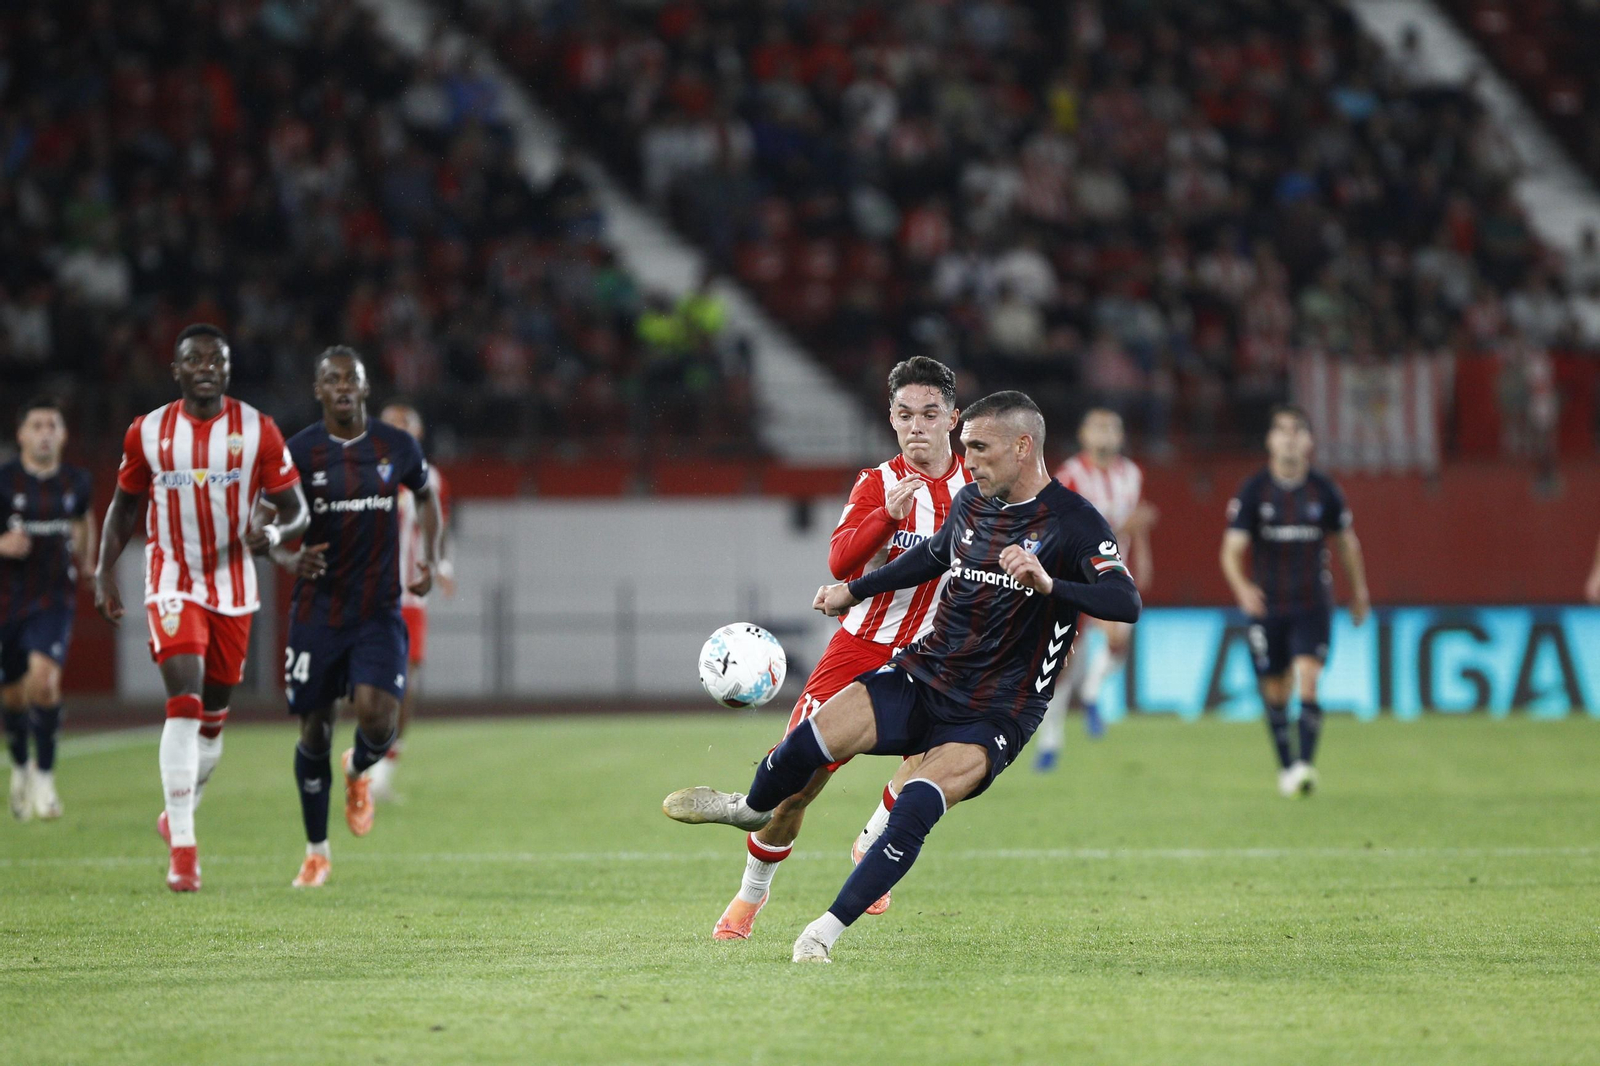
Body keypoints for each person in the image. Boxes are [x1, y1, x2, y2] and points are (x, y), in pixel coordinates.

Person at [663, 391, 1141, 962]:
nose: (972, 460)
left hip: (997, 709)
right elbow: (934, 554)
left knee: (917, 803)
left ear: (1022, 446)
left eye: (979, 448)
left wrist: (1050, 585)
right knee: (810, 741)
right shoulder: (970, 501)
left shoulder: (1074, 521)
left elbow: (1124, 600)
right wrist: (853, 589)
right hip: (925, 672)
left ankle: (821, 934)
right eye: (966, 449)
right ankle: (751, 807)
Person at [712, 356, 973, 941]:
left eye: (930, 414)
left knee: (937, 761)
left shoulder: (977, 491)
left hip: (934, 658)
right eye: (905, 414)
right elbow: (840, 561)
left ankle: (873, 839)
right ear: (890, 418)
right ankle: (750, 896)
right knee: (795, 788)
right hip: (860, 649)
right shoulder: (875, 483)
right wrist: (888, 518)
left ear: (953, 419)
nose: (917, 426)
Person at [94, 324, 309, 891]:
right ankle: (184, 853)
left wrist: (277, 533)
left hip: (234, 586)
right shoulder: (149, 432)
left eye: (217, 359)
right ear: (178, 371)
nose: (207, 367)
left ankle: (175, 816)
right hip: (171, 578)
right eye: (195, 359)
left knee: (213, 721)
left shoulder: (257, 430)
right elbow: (122, 508)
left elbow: (297, 510)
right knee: (184, 701)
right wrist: (103, 570)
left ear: (228, 369)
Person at [272, 348, 440, 889]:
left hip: (378, 612)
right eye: (332, 380)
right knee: (315, 729)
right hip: (317, 612)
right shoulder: (297, 451)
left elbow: (427, 496)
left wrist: (429, 558)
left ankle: (357, 769)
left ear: (364, 389)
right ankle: (317, 851)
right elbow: (261, 523)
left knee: (378, 718)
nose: (343, 387)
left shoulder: (396, 447)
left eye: (352, 379)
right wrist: (286, 555)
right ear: (318, 390)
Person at [1219, 405, 1371, 797]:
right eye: (1282, 430)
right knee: (1275, 689)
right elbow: (1231, 550)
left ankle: (1304, 766)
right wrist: (1242, 589)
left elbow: (1347, 545)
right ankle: (1286, 764)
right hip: (1267, 605)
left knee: (1309, 679)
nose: (1289, 437)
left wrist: (1359, 592)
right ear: (1270, 440)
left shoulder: (1325, 490)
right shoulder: (1255, 491)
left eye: (1297, 430)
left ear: (1309, 441)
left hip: (1312, 602)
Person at [1034, 407, 1156, 761]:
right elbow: (1065, 532)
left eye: (1112, 429)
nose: (1105, 435)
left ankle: (1090, 694)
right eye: (1098, 428)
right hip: (1073, 578)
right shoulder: (1069, 476)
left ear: (1121, 437)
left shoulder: (1131, 474)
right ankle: (1050, 739)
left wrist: (1142, 557)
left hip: (1113, 575)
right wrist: (1124, 528)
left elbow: (1139, 522)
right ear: (1084, 435)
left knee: (1118, 641)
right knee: (1063, 666)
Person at [2, 398, 94, 821]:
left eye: (51, 425)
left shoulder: (77, 481)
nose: (44, 432)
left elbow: (84, 519)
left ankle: (45, 777)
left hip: (55, 598)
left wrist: (89, 564)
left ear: (63, 434)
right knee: (14, 696)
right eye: (36, 425)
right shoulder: (4, 482)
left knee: (44, 683)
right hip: (8, 600)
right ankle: (20, 765)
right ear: (21, 434)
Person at [366, 402, 454, 804]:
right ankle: (366, 758)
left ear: (416, 434)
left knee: (404, 683)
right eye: (389, 424)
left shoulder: (428, 476)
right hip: (364, 594)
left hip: (409, 599)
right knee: (367, 686)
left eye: (403, 425)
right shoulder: (359, 469)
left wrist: (443, 565)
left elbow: (439, 527)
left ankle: (384, 768)